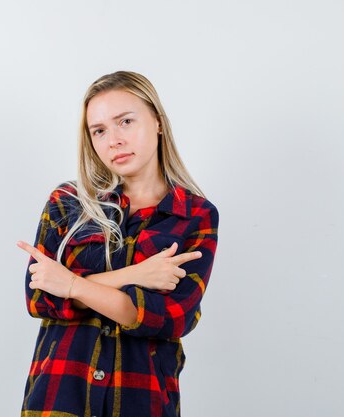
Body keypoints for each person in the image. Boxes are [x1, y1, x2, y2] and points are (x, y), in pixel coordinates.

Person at [16, 70, 220, 417]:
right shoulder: (66, 203)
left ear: (157, 121)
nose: (113, 140)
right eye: (99, 130)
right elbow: (40, 298)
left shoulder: (194, 214)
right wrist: (139, 274)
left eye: (125, 121)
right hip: (58, 400)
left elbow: (169, 317)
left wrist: (70, 285)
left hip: (141, 402)